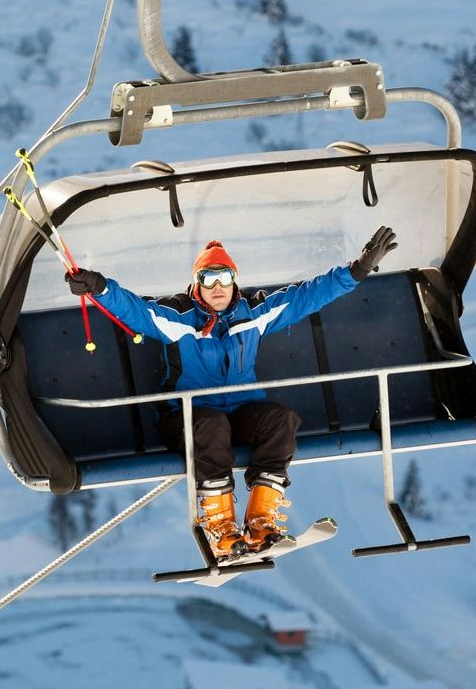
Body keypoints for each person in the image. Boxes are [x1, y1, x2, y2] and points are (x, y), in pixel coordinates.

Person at [65, 227, 399, 558]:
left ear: (235, 280)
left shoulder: (253, 316)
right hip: (185, 419)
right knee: (211, 426)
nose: (218, 287)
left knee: (281, 420)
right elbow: (136, 311)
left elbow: (306, 297)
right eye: (208, 279)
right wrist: (100, 287)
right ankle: (220, 526)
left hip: (238, 412)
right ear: (197, 283)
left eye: (224, 277)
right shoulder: (179, 320)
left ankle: (260, 521)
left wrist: (357, 270)